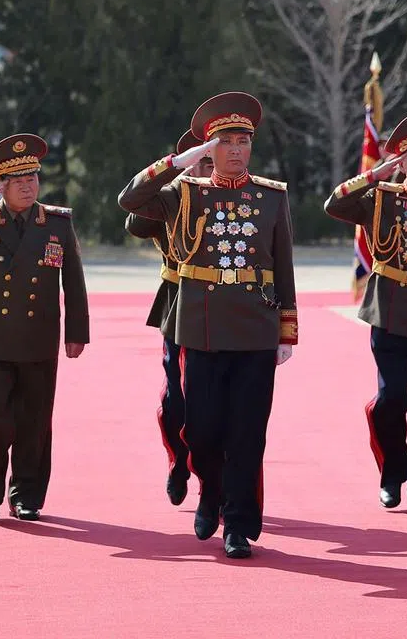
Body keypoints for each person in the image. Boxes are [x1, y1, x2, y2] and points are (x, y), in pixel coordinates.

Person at [118, 91, 298, 559]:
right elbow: (129, 200)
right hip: (201, 328)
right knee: (201, 430)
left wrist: (286, 329)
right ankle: (209, 492)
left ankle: (238, 524)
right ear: (209, 148)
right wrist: (181, 159)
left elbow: (283, 266)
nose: (236, 150)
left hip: (255, 329)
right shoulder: (185, 192)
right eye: (225, 142)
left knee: (247, 431)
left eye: (243, 141)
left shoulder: (271, 197)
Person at [324, 112, 407, 513]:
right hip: (392, 314)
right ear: (401, 162)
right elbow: (335, 203)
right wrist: (373, 175)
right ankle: (392, 471)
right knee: (391, 399)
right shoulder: (380, 198)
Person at [0, 134, 88, 522]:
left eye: (33, 177)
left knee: (34, 422)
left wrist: (77, 332)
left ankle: (27, 495)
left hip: (39, 338)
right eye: (18, 180)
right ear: (1, 185)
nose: (29, 186)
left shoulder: (56, 223)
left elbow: (74, 283)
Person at [124, 129, 214, 506]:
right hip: (178, 301)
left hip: (226, 306)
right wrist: (173, 178)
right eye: (203, 161)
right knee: (176, 400)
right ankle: (179, 462)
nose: (209, 169)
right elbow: (134, 221)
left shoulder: (244, 198)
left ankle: (216, 483)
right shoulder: (175, 199)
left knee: (218, 401)